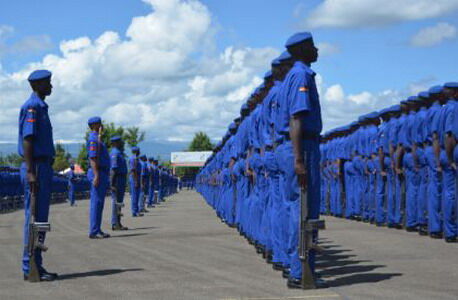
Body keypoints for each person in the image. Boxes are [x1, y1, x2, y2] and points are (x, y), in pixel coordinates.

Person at [278, 32, 324, 288]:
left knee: (294, 208)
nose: (317, 50)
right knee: (304, 211)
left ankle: (296, 267)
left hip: (301, 146)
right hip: (303, 146)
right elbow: (296, 119)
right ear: (303, 49)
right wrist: (299, 159)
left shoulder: (295, 75)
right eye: (312, 46)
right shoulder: (301, 75)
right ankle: (301, 272)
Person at [19, 69, 58, 281]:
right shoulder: (33, 107)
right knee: (33, 218)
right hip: (37, 167)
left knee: (40, 219)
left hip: (42, 167)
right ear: (38, 85)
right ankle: (30, 267)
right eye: (48, 83)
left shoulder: (40, 106)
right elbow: (28, 140)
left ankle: (37, 265)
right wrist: (31, 171)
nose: (51, 86)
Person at [87, 116, 111, 239]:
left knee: (99, 203)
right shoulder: (93, 139)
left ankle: (97, 228)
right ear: (95, 125)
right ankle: (94, 230)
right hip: (98, 172)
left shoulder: (98, 138)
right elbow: (93, 158)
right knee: (96, 202)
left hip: (101, 173)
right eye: (100, 124)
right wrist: (96, 175)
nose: (102, 125)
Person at [110, 135, 128, 231]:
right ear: (115, 143)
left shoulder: (119, 153)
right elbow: (113, 170)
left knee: (119, 202)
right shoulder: (115, 153)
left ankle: (118, 222)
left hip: (121, 179)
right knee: (116, 202)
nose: (122, 143)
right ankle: (115, 223)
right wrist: (112, 184)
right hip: (117, 180)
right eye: (120, 142)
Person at [129, 147, 143, 217]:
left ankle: (136, 210)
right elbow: (133, 170)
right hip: (134, 178)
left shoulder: (137, 159)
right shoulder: (134, 159)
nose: (140, 152)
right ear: (137, 151)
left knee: (137, 195)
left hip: (137, 177)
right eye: (139, 151)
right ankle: (134, 211)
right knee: (134, 195)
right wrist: (136, 181)